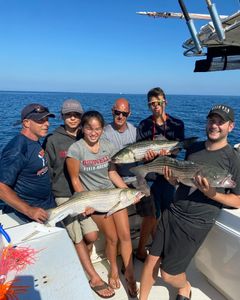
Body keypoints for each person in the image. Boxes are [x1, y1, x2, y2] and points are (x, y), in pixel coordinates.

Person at [139, 104, 240, 300]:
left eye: (221, 122)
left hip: (196, 222)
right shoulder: (193, 148)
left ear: (231, 127)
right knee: (151, 259)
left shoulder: (234, 159)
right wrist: (171, 178)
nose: (215, 125)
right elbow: (181, 179)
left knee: (168, 274)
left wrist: (212, 194)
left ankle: (184, 287)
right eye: (212, 120)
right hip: (173, 210)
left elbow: (238, 200)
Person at [44, 100, 114, 298]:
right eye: (68, 115)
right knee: (77, 237)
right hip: (64, 194)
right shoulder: (53, 140)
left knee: (91, 235)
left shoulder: (87, 138)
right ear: (62, 116)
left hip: (85, 195)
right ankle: (93, 277)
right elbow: (46, 170)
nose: (72, 118)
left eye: (76, 115)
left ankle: (80, 262)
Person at [66, 110, 138, 298]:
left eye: (97, 129)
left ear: (101, 130)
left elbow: (112, 173)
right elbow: (75, 180)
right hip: (95, 201)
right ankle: (114, 269)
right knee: (112, 238)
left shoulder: (108, 145)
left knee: (125, 235)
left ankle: (129, 274)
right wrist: (84, 204)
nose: (93, 132)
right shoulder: (76, 149)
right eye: (89, 128)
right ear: (82, 128)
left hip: (113, 195)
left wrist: (129, 193)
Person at [102, 97, 156, 263]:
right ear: (112, 111)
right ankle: (122, 258)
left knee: (152, 213)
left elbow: (144, 154)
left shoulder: (135, 131)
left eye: (124, 113)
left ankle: (142, 250)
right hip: (114, 180)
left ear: (129, 113)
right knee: (121, 225)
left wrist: (150, 156)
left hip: (137, 177)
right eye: (117, 112)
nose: (120, 116)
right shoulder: (103, 132)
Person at [136, 87, 184, 261]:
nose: (156, 106)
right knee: (150, 216)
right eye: (152, 104)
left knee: (166, 212)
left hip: (169, 175)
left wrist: (169, 153)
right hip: (150, 175)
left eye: (159, 102)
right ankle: (141, 249)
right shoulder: (144, 125)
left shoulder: (177, 124)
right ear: (149, 105)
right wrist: (146, 156)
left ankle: (160, 247)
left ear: (165, 102)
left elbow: (177, 150)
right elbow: (140, 153)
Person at [0, 103, 55, 223]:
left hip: (47, 206)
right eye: (41, 121)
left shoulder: (35, 141)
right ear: (26, 123)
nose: (47, 124)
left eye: (47, 120)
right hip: (30, 215)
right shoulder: (17, 149)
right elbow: (1, 187)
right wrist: (29, 210)